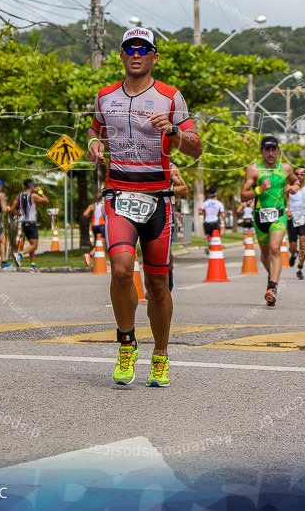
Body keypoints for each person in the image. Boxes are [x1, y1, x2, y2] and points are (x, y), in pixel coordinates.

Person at [86, 25, 202, 387]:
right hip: (119, 195)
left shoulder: (170, 97)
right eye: (129, 49)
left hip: (158, 200)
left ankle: (162, 354)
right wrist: (92, 144)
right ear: (121, 55)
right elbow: (95, 129)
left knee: (156, 285)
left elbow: (196, 147)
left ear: (154, 56)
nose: (136, 55)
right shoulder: (105, 97)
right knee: (121, 270)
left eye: (143, 49)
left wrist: (174, 132)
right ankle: (126, 342)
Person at [240, 135, 299, 306]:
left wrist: (295, 187)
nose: (271, 153)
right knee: (265, 254)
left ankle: (273, 287)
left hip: (278, 214)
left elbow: (295, 181)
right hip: (260, 216)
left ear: (278, 151)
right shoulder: (254, 170)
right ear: (262, 151)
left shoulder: (285, 168)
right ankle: (271, 277)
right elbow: (243, 195)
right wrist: (259, 189)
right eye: (267, 149)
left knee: (275, 249)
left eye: (274, 149)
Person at [10, 179, 50, 272]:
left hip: (24, 223)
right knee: (35, 246)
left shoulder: (19, 196)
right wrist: (41, 192)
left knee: (32, 244)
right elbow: (46, 201)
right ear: (31, 186)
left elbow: (12, 209)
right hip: (31, 223)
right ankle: (19, 255)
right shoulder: (33, 196)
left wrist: (20, 215)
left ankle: (33, 265)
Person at [286, 167, 305, 280]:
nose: (299, 176)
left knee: (303, 243)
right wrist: (287, 211)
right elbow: (282, 201)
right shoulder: (288, 187)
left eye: (302, 174)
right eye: (297, 174)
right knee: (293, 247)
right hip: (291, 219)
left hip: (303, 218)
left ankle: (300, 268)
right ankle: (294, 254)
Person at [167, 163, 188, 292]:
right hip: (139, 213)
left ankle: (168, 283)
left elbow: (184, 189)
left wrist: (163, 189)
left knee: (166, 253)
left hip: (164, 214)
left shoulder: (170, 167)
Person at [82, 186, 108, 268]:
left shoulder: (92, 206)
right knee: (102, 245)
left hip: (94, 226)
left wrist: (91, 217)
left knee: (99, 244)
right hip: (102, 226)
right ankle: (89, 255)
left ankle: (102, 264)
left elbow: (85, 214)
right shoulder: (104, 205)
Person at [198, 189, 226, 254]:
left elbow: (200, 212)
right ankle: (214, 249)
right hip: (215, 222)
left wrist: (204, 213)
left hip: (207, 222)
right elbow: (223, 214)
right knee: (216, 236)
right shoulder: (219, 203)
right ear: (216, 195)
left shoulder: (205, 203)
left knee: (208, 235)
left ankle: (209, 245)